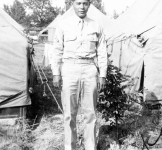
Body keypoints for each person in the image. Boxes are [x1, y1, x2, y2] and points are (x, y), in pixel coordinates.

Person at [51, 0, 108, 149]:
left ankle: (90, 146)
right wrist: (56, 73)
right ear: (73, 4)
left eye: (85, 3)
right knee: (69, 114)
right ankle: (70, 147)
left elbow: (102, 51)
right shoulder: (63, 24)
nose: (82, 7)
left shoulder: (96, 25)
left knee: (90, 113)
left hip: (90, 68)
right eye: (78, 3)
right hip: (69, 68)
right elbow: (56, 50)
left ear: (89, 5)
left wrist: (102, 74)